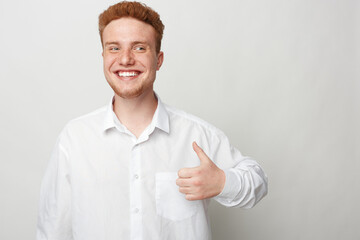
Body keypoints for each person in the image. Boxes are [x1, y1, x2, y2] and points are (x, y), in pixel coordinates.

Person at [36, 1, 268, 240]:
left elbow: (257, 180)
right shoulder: (74, 139)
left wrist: (222, 182)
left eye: (139, 48)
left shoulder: (196, 136)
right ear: (103, 56)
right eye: (114, 48)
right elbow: (52, 230)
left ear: (158, 59)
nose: (125, 59)